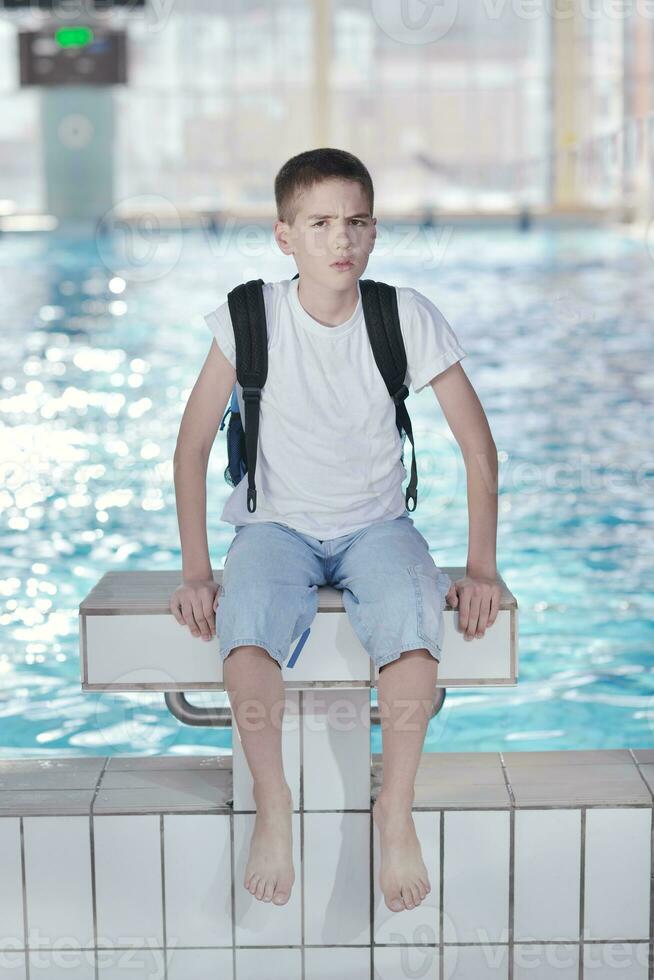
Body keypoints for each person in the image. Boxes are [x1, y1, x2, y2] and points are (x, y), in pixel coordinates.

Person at [170, 148, 501, 914]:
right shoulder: (249, 315)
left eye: (354, 222)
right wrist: (195, 570)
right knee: (246, 632)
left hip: (376, 526)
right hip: (274, 528)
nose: (339, 240)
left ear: (375, 231)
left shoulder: (403, 315)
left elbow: (476, 446)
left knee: (413, 630)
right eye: (319, 223)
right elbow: (189, 448)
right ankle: (274, 801)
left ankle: (396, 807)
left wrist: (479, 566)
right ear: (286, 236)